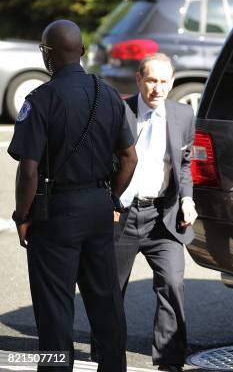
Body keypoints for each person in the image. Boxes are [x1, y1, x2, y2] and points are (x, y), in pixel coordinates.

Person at [8, 19, 137, 371]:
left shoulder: (40, 99)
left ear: (47, 54)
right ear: (81, 51)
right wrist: (110, 195)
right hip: (99, 207)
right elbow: (130, 158)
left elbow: (29, 169)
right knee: (106, 303)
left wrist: (23, 216)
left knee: (55, 310)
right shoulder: (108, 94)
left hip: (55, 212)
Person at [112, 53, 197, 372]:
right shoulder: (121, 112)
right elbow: (105, 162)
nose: (157, 88)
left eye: (164, 81)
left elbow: (186, 164)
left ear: (172, 82)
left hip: (164, 214)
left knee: (172, 283)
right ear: (138, 80)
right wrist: (108, 202)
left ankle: (170, 361)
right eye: (151, 80)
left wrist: (188, 199)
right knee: (111, 289)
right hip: (123, 214)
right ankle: (107, 355)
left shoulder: (183, 115)